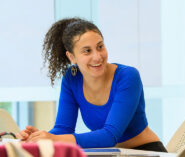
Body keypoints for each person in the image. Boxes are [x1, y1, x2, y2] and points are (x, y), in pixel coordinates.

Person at [16, 17, 167, 152]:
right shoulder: (71, 78)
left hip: (145, 152)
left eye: (100, 46)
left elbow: (110, 136)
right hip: (109, 154)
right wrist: (38, 137)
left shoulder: (127, 76)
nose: (97, 57)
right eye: (87, 51)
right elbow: (63, 128)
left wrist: (53, 139)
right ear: (72, 57)